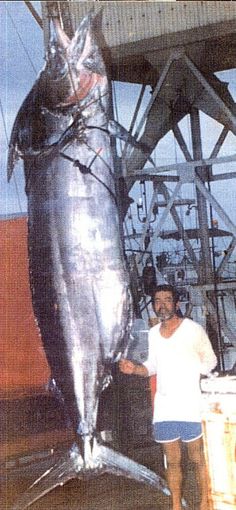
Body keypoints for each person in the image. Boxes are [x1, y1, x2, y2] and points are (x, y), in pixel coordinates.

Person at [119, 284, 217, 510]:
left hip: (191, 407)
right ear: (154, 305)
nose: (162, 305)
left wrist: (190, 370)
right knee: (172, 462)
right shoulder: (152, 334)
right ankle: (175, 505)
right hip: (164, 409)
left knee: (197, 459)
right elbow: (151, 366)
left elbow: (210, 361)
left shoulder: (193, 329)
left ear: (176, 304)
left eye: (167, 300)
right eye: (158, 301)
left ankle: (205, 502)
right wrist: (134, 369)